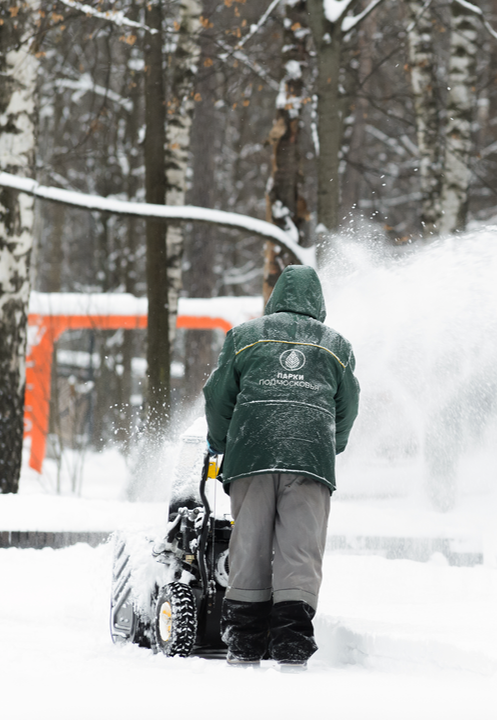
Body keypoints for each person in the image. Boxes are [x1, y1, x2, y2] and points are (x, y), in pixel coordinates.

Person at [203, 264, 360, 670]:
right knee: (300, 550)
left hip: (251, 456)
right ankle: (291, 645)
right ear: (319, 302)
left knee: (248, 545)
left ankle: (244, 644)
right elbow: (347, 407)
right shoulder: (336, 345)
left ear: (275, 298)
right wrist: (330, 446)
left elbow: (219, 398)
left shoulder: (244, 336)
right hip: (310, 461)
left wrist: (221, 443)